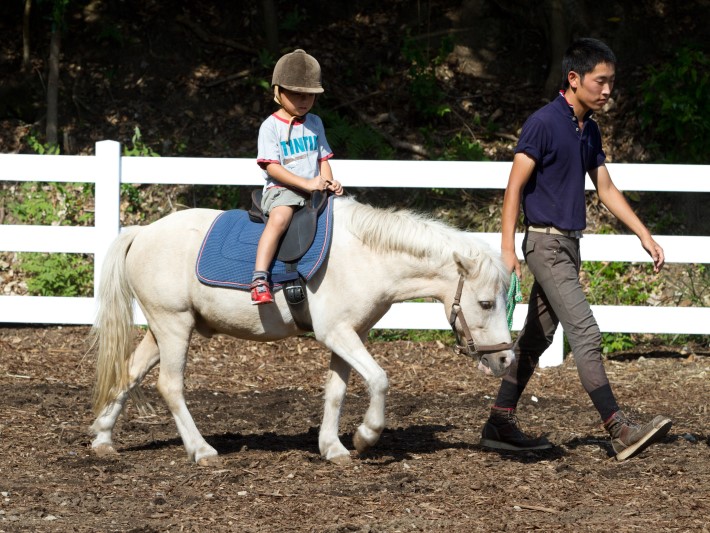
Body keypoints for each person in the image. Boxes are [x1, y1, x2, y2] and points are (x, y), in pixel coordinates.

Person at [481, 38, 672, 461]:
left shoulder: (588, 128)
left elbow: (604, 187)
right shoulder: (544, 123)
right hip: (545, 244)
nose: (608, 90)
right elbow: (513, 188)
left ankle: (499, 420)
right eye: (600, 82)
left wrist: (644, 234)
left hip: (568, 244)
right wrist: (508, 249)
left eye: (611, 82)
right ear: (574, 79)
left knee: (535, 339)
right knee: (586, 332)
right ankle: (618, 429)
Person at [252, 49, 343, 305]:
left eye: (310, 96)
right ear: (278, 92)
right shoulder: (271, 126)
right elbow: (271, 167)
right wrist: (306, 183)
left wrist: (329, 182)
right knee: (280, 218)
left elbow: (322, 158)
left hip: (313, 189)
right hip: (282, 189)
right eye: (297, 95)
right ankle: (259, 278)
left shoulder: (315, 122)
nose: (304, 101)